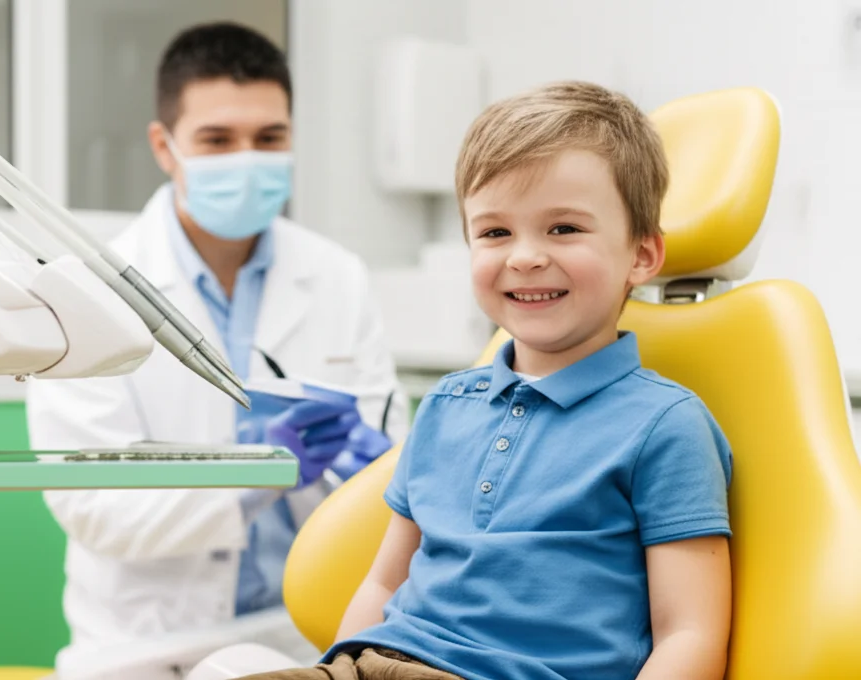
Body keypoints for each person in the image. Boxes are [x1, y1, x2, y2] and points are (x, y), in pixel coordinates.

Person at [230, 81, 734, 680]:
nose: (524, 256)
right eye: (495, 233)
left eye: (564, 228)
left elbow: (689, 633)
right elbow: (384, 582)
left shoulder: (664, 426)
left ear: (642, 255)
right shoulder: (446, 404)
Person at [25, 22, 408, 670]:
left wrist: (380, 470)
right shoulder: (88, 290)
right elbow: (91, 504)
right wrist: (251, 481)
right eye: (218, 139)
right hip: (148, 645)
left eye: (269, 138)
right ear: (165, 146)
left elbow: (387, 449)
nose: (246, 159)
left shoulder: (338, 277)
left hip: (307, 632)